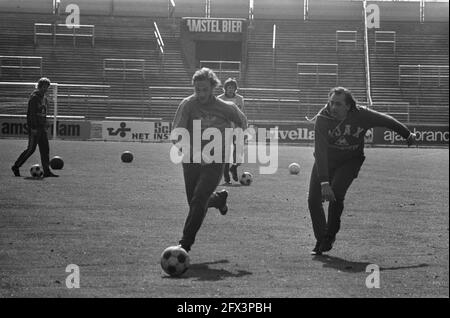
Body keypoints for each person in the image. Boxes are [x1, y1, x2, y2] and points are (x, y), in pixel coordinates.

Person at [307, 87, 417, 255]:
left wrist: (407, 134)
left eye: (338, 104)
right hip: (326, 161)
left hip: (350, 161)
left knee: (336, 193)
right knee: (313, 200)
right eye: (331, 103)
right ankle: (321, 239)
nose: (333, 107)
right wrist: (324, 181)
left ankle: (329, 237)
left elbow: (386, 120)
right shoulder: (322, 118)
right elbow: (320, 151)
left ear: (349, 106)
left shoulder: (362, 115)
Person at [171, 68, 247, 252]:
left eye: (205, 89)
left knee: (198, 200)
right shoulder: (188, 105)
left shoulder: (226, 107)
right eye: (198, 89)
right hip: (191, 160)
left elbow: (242, 123)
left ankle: (184, 244)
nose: (201, 93)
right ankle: (219, 200)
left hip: (215, 160)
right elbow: (177, 135)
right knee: (195, 202)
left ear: (213, 87)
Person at [11, 77, 59, 178]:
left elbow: (43, 112)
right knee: (31, 149)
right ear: (39, 86)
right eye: (44, 87)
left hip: (42, 128)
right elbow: (31, 114)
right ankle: (16, 166)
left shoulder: (44, 98)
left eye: (47, 87)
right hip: (35, 128)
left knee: (45, 149)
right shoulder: (34, 98)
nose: (46, 89)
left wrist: (46, 122)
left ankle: (46, 171)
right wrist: (33, 127)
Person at [217, 78, 245, 184]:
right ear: (225, 88)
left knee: (239, 153)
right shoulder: (219, 99)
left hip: (237, 128)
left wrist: (243, 126)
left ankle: (233, 168)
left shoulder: (240, 99)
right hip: (224, 129)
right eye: (228, 87)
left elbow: (242, 114)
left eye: (232, 88)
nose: (230, 89)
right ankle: (226, 176)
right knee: (226, 152)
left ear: (235, 89)